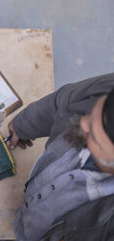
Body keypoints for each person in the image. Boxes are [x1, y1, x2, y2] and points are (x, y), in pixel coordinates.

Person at [8, 73, 114, 241]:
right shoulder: (109, 86)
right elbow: (63, 101)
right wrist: (24, 125)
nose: (83, 122)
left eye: (93, 133)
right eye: (94, 112)